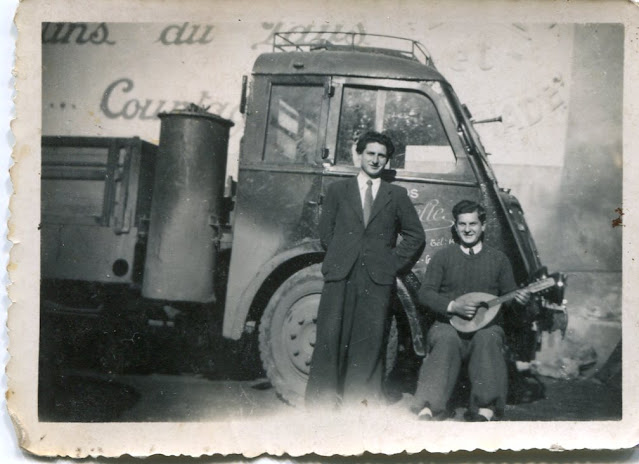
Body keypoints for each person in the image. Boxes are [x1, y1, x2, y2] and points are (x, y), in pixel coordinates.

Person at [305, 131, 425, 409]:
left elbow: (415, 236)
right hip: (341, 275)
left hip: (377, 279)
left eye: (382, 155)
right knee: (330, 337)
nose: (375, 159)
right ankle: (322, 404)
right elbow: (326, 232)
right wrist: (342, 255)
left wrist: (390, 264)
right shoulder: (337, 191)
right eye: (370, 153)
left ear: (387, 160)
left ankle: (358, 404)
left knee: (369, 342)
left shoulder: (396, 195)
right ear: (358, 155)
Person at [411, 200, 530, 421]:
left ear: (483, 226)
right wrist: (452, 306)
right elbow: (425, 294)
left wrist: (519, 299)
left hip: (487, 325)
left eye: (473, 224)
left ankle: (485, 408)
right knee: (445, 339)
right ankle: (430, 406)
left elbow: (510, 295)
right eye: (462, 224)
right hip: (448, 323)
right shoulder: (443, 257)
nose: (468, 229)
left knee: (488, 338)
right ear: (455, 227)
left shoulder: (499, 259)